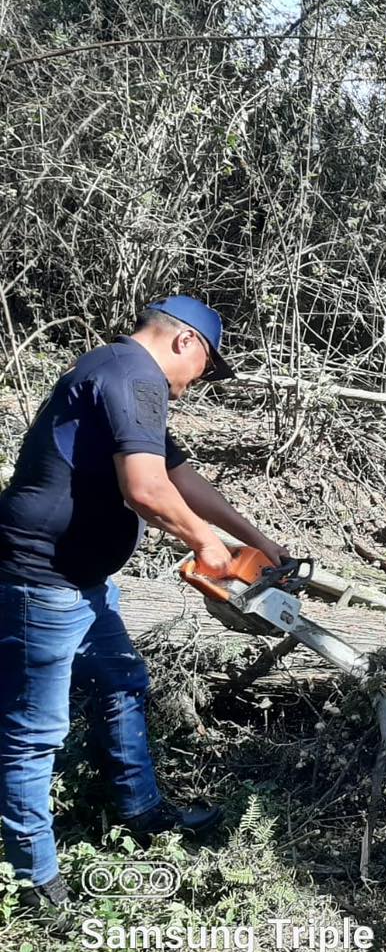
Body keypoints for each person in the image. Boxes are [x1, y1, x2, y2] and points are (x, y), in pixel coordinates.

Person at [0, 297, 288, 908]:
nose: (195, 386)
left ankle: (140, 811)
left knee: (122, 679)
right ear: (186, 342)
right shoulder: (134, 374)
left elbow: (179, 477)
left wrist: (254, 539)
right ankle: (35, 882)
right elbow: (147, 489)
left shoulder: (122, 377)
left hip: (81, 582)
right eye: (205, 368)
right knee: (34, 732)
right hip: (41, 580)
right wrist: (206, 546)